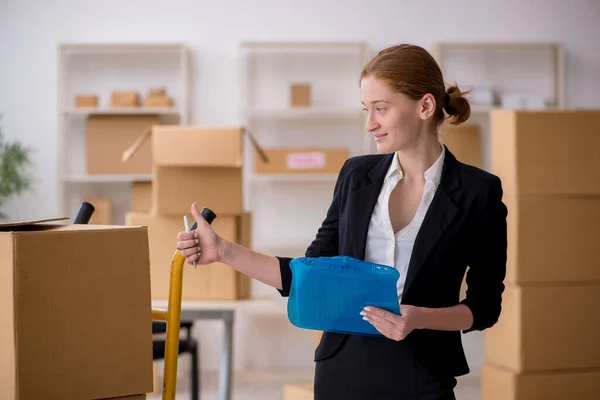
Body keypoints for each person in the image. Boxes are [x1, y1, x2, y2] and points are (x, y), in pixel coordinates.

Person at [177, 43, 508, 400]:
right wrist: (224, 250)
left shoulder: (478, 192)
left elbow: (484, 307)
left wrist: (418, 317)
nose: (370, 124)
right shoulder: (356, 176)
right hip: (343, 368)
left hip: (423, 371)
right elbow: (308, 276)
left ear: (425, 106)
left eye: (381, 109)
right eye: (367, 109)